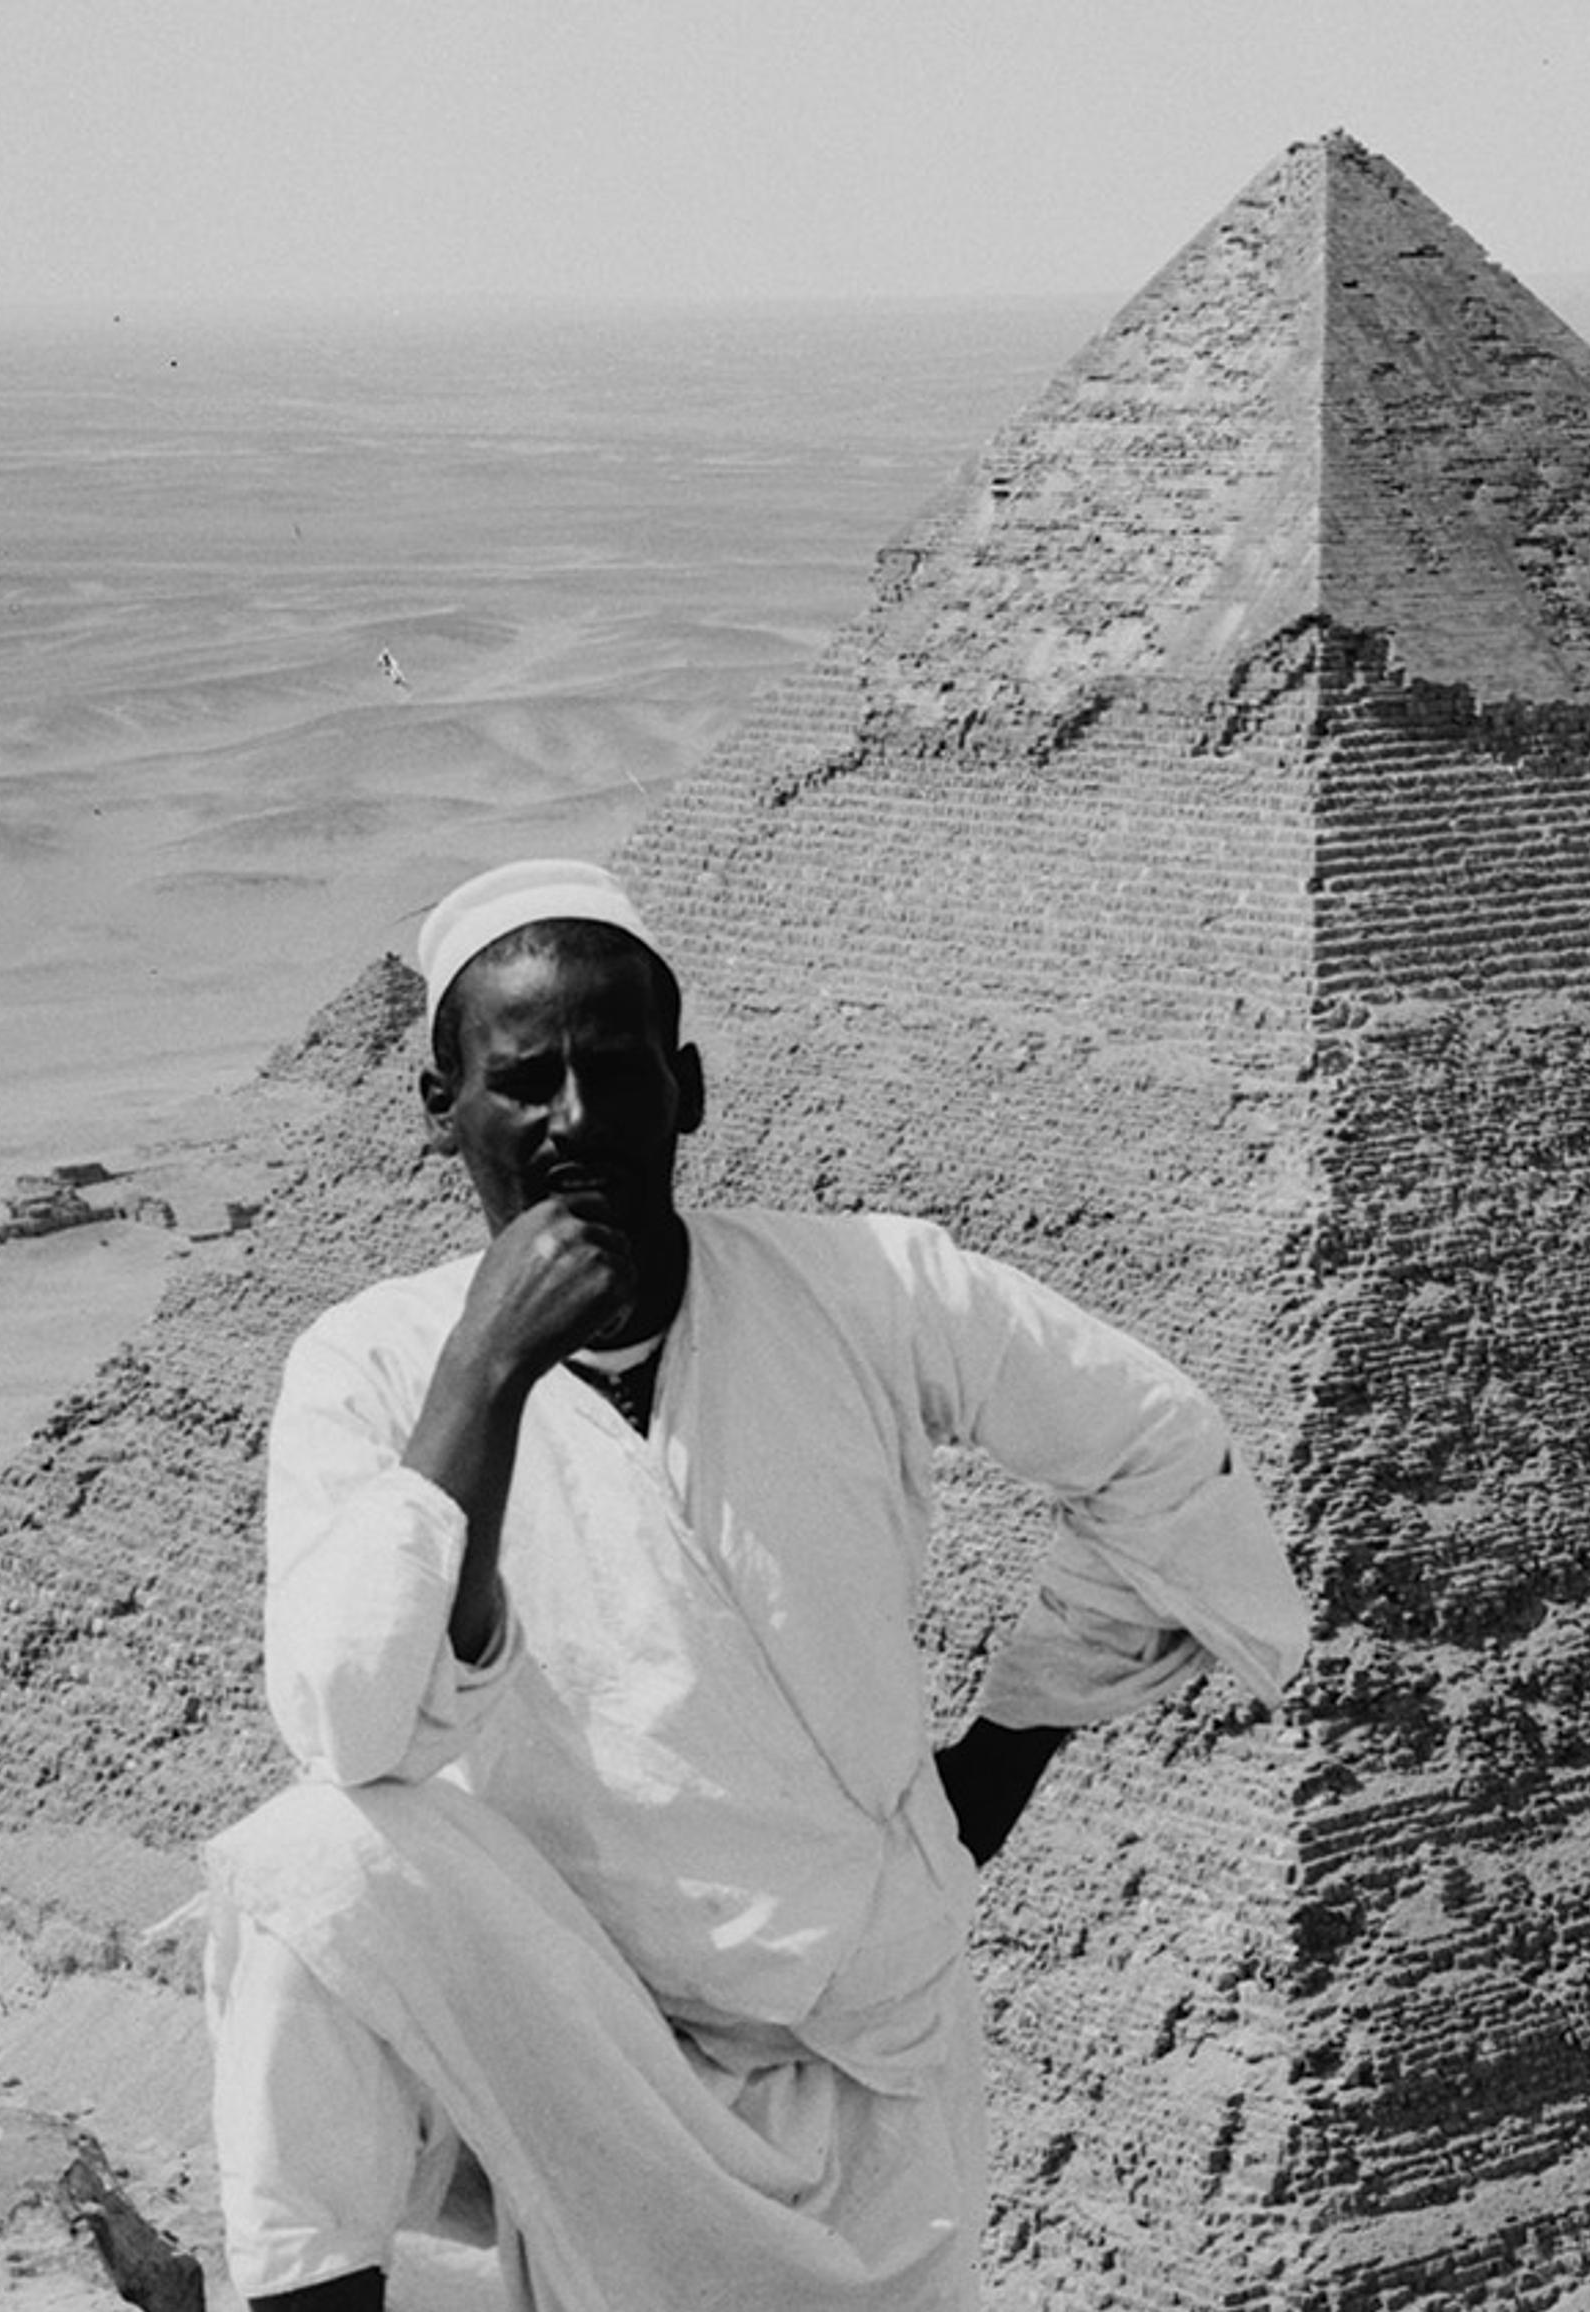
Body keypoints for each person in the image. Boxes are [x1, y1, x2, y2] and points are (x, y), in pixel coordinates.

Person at [198, 859, 1308, 2311]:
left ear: (694, 1090)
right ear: (440, 1111)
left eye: (618, 1072)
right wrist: (488, 1369)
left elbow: (1163, 1449)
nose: (575, 1123)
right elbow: (345, 1726)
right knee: (307, 1870)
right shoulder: (377, 1368)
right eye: (524, 1082)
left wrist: (1004, 1753)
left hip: (870, 2052)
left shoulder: (873, 1294)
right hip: (590, 2046)